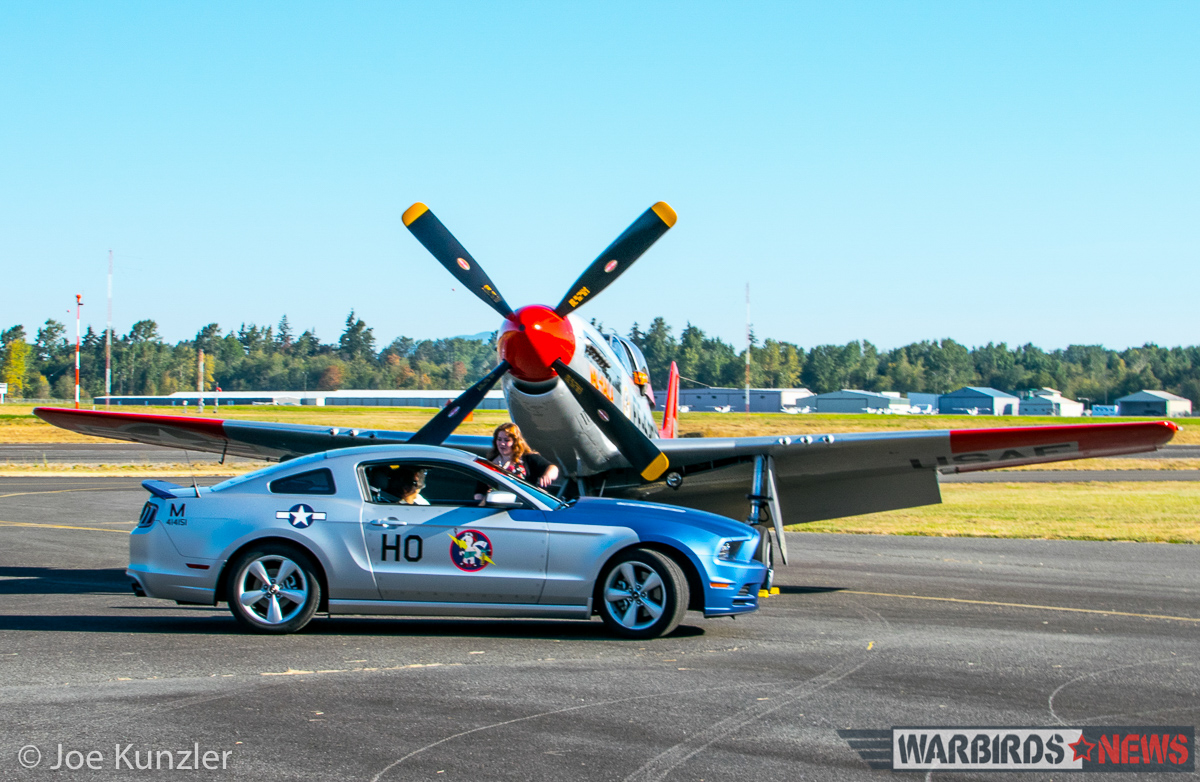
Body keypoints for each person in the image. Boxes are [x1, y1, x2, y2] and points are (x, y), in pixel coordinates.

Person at [488, 423, 559, 488]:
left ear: (515, 442)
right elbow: (481, 489)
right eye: (499, 439)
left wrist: (547, 475)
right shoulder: (490, 462)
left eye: (507, 440)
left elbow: (553, 468)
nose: (502, 443)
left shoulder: (528, 458)